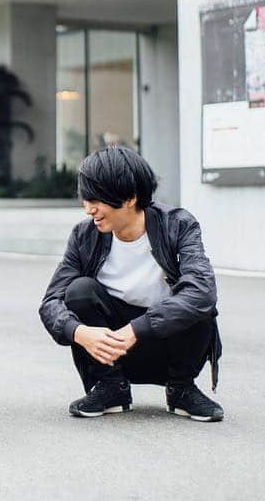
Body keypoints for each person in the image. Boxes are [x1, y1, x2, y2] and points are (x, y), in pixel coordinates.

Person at [39, 146, 224, 422]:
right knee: (79, 291)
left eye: (96, 200)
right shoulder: (84, 236)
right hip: (111, 351)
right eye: (85, 199)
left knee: (198, 301)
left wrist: (137, 329)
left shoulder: (178, 225)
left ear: (130, 197)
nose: (89, 209)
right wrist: (79, 332)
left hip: (168, 344)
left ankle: (181, 389)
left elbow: (202, 291)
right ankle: (111, 387)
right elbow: (51, 301)